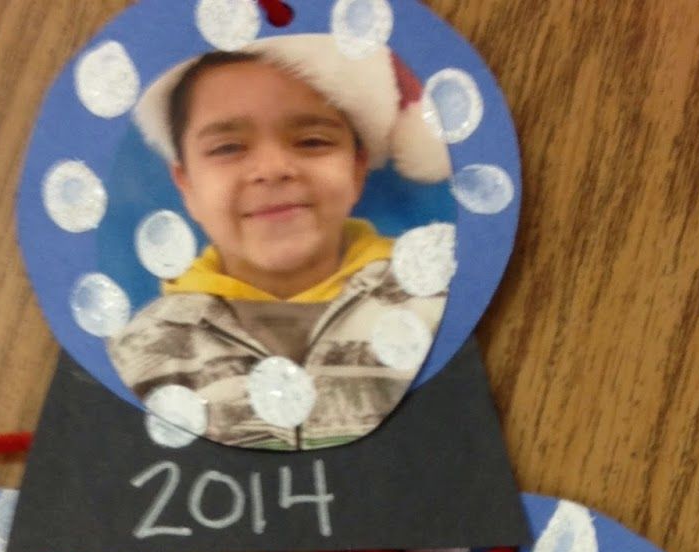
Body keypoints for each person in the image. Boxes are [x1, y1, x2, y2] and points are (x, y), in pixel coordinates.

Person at [108, 37, 453, 450]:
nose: (272, 169)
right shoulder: (140, 353)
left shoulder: (435, 312)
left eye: (312, 141)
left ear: (356, 170)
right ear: (187, 186)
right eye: (227, 148)